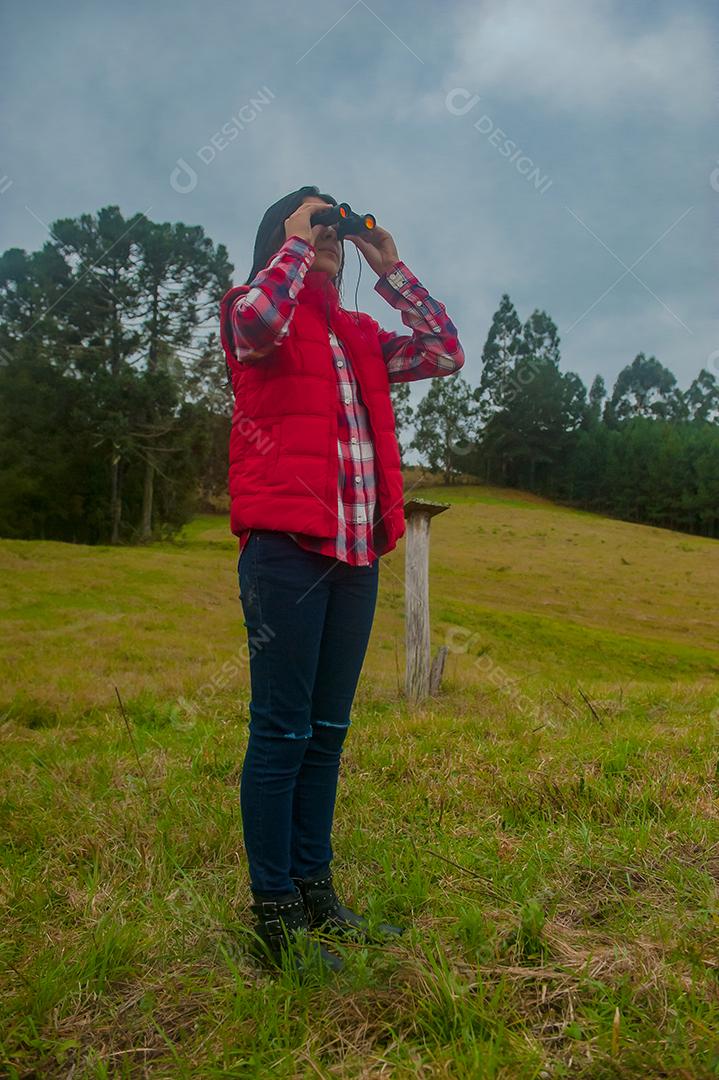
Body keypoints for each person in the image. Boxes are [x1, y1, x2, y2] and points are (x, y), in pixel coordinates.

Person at [218, 185, 464, 976]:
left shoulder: (359, 333)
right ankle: (275, 917)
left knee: (326, 736)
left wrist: (387, 268)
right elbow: (255, 321)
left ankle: (317, 892)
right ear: (282, 236)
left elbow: (442, 352)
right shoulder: (256, 316)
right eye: (316, 220)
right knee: (281, 732)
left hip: (357, 557)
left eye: (333, 223)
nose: (329, 232)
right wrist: (295, 242)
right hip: (286, 551)